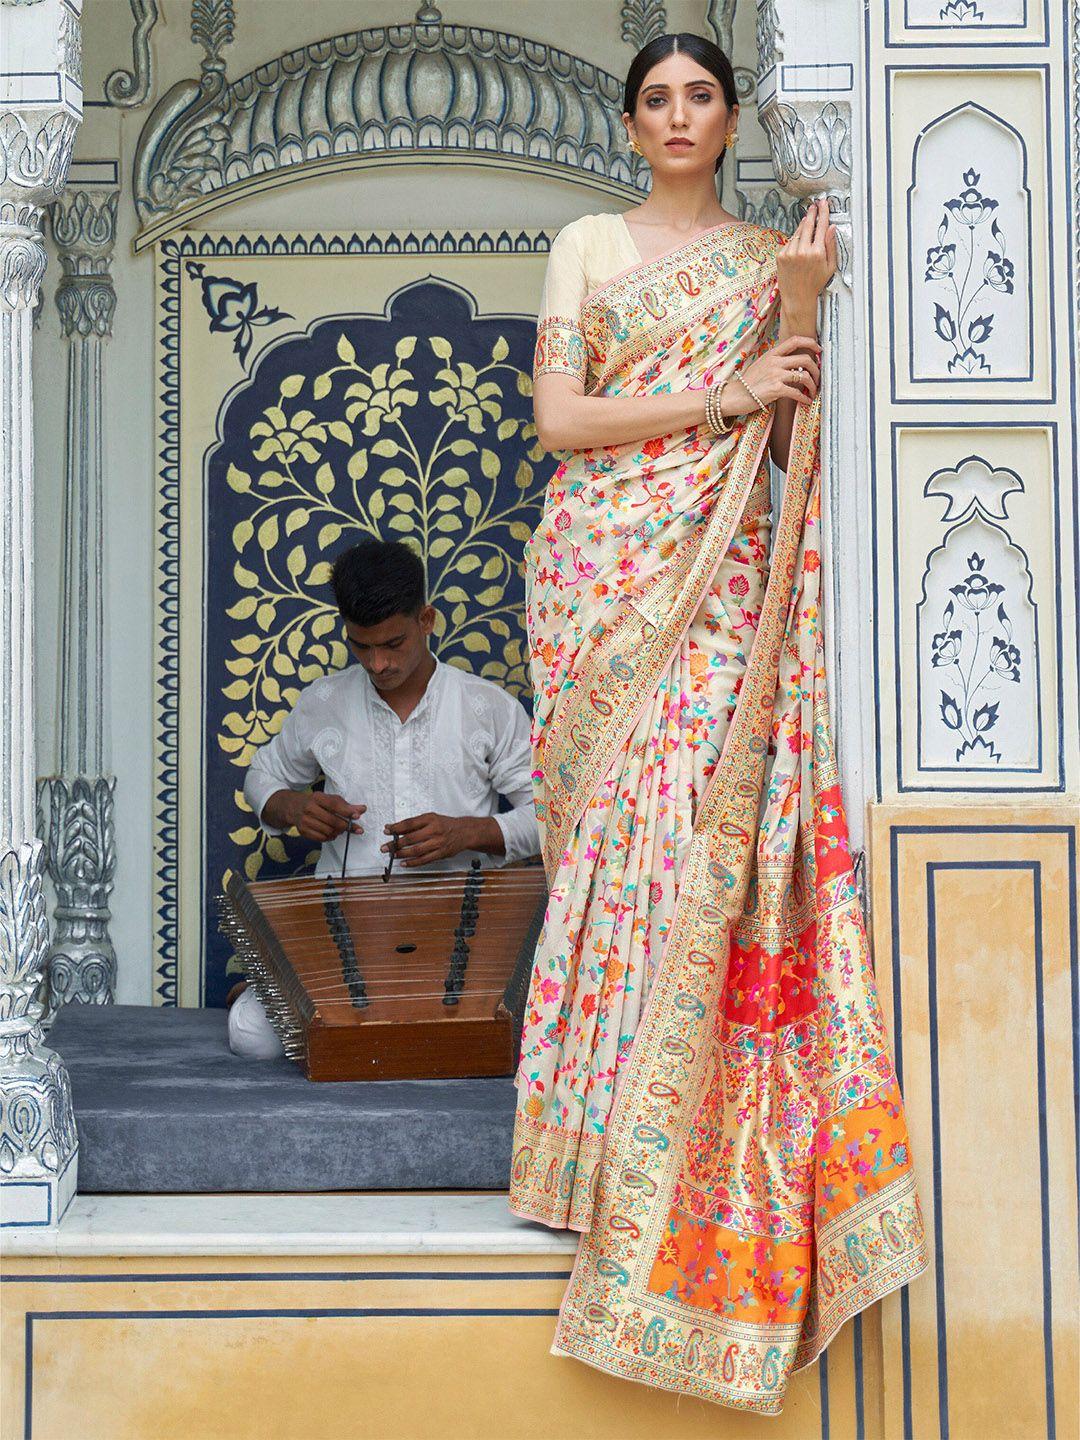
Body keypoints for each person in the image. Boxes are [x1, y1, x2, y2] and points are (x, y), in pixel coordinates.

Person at [510, 32, 927, 1415]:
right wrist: (723, 390)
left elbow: (797, 427)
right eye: (656, 101)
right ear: (630, 126)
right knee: (609, 840)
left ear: (733, 118)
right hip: (601, 580)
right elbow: (560, 419)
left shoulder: (768, 258)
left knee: (688, 832)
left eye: (700, 97)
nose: (678, 116)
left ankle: (670, 1145)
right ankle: (581, 1157)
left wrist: (797, 309)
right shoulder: (586, 244)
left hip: (723, 581)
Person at [227, 538, 540, 1058]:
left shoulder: (488, 709)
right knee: (251, 1038)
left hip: (458, 934)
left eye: (392, 643)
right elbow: (262, 778)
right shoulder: (324, 703)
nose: (378, 664)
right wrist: (294, 807)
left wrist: (470, 832)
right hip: (344, 934)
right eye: (361, 646)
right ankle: (272, 995)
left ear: (427, 620)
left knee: (522, 1037)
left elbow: (555, 818)